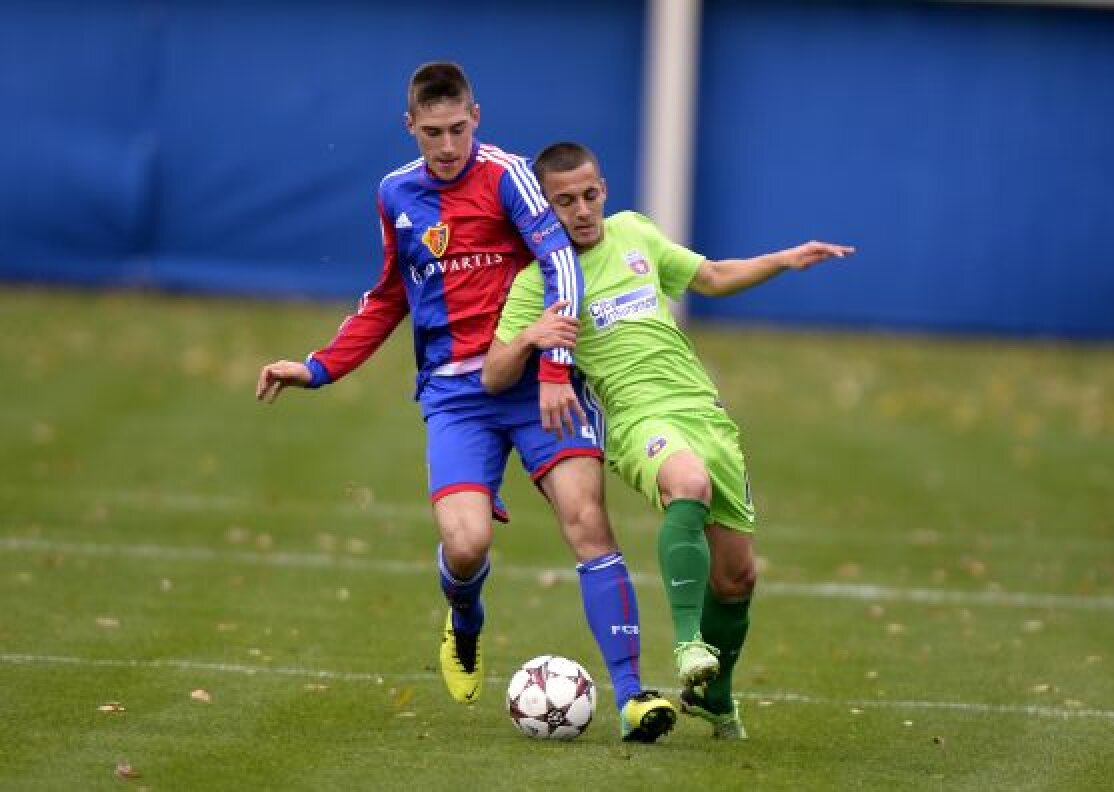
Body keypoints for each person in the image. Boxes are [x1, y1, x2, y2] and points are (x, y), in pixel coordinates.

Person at [255, 66, 674, 742]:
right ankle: (466, 617)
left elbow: (561, 261)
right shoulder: (396, 193)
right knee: (467, 541)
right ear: (409, 127)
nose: (447, 145)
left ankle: (631, 696)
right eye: (432, 133)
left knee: (587, 521)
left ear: (475, 117)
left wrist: (556, 368)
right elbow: (390, 293)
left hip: (537, 379)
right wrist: (318, 367)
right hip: (455, 395)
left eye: (457, 130)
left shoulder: (509, 176)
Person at [483, 142, 854, 739]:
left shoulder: (635, 232)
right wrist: (529, 337)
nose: (581, 210)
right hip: (638, 421)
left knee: (737, 579)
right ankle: (686, 645)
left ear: (603, 188)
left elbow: (707, 276)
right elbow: (493, 374)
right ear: (544, 210)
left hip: (705, 414)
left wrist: (782, 258)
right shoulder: (541, 280)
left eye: (590, 195)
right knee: (689, 483)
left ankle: (715, 695)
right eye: (564, 202)